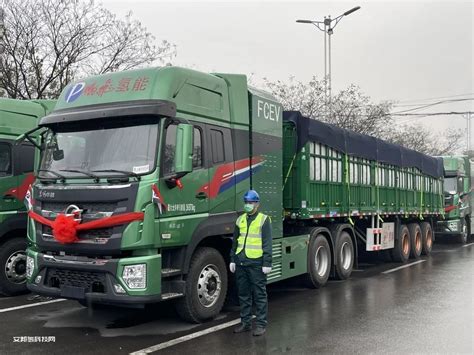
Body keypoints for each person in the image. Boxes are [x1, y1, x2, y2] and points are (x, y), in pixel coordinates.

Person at [229, 189, 272, 336]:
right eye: (246, 202)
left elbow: (267, 243)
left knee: (259, 294)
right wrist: (232, 259)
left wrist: (267, 262)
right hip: (241, 262)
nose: (248, 205)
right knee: (243, 294)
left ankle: (261, 324)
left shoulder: (263, 220)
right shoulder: (240, 219)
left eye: (251, 202)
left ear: (257, 204)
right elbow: (235, 241)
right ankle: (245, 323)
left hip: (256, 263)